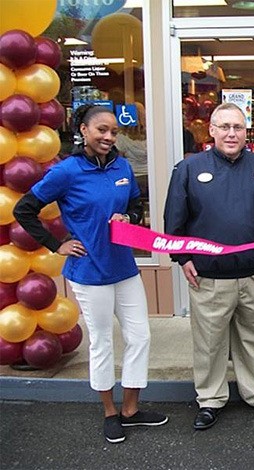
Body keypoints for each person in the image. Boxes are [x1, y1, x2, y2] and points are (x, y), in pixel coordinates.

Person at [13, 105, 167, 444]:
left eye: (113, 131)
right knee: (102, 343)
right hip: (89, 271)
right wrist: (56, 245)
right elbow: (23, 209)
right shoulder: (66, 172)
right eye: (101, 130)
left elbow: (134, 206)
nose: (109, 137)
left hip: (125, 268)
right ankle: (110, 412)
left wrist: (130, 217)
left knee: (139, 337)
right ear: (83, 130)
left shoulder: (123, 166)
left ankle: (131, 409)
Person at [163, 102, 254, 430]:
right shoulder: (188, 169)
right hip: (208, 277)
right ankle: (210, 399)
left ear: (246, 132)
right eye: (225, 127)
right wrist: (182, 257)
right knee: (209, 343)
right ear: (212, 131)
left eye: (238, 127)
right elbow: (174, 218)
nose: (231, 133)